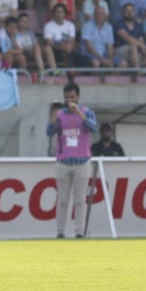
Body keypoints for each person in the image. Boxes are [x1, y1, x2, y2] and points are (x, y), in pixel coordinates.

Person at [46, 81, 98, 239]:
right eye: (67, 98)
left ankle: (79, 232)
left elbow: (92, 127)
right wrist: (54, 114)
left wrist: (79, 113)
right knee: (62, 199)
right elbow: (49, 132)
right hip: (63, 162)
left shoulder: (87, 111)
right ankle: (60, 232)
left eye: (72, 97)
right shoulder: (60, 114)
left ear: (78, 97)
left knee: (80, 200)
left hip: (82, 162)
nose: (70, 101)